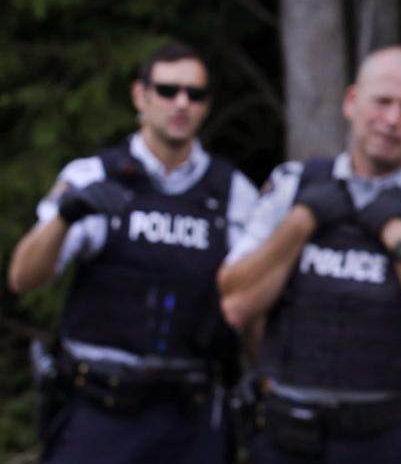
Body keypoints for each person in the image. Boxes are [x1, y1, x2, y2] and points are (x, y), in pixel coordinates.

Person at [217, 46, 401, 463]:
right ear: (351, 102)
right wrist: (299, 224)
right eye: (382, 102)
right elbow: (236, 303)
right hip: (286, 436)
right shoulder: (293, 187)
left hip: (393, 439)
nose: (392, 120)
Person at [7, 42, 259, 463]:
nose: (182, 103)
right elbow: (23, 277)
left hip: (189, 418)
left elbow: (251, 305)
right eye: (167, 90)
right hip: (99, 414)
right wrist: (66, 217)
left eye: (195, 94)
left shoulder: (231, 193)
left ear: (207, 105)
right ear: (140, 96)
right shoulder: (93, 176)